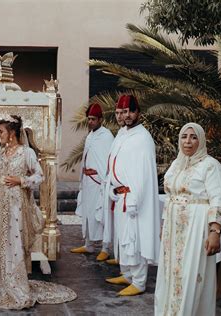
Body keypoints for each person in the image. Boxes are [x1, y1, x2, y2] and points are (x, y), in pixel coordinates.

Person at [0, 115, 77, 309]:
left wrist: (21, 181)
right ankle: (3, 283)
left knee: (14, 243)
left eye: (1, 132)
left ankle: (17, 285)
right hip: (1, 206)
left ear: (11, 134)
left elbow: (40, 176)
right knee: (2, 242)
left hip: (17, 206)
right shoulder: (1, 153)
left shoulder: (26, 153)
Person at [155, 123, 221, 316]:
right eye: (184, 136)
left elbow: (218, 199)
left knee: (190, 275)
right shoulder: (176, 164)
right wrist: (164, 224)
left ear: (201, 140)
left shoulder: (210, 165)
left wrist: (215, 231)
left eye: (193, 137)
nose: (188, 141)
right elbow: (169, 197)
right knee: (171, 274)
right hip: (173, 229)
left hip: (195, 228)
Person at [105, 95, 160, 296]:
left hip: (134, 197)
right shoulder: (122, 134)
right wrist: (111, 188)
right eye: (120, 112)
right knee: (123, 238)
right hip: (120, 195)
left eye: (128, 111)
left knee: (134, 239)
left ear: (137, 112)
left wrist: (134, 200)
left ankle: (139, 281)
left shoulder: (142, 138)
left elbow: (143, 173)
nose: (124, 116)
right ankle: (127, 274)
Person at [70, 103, 114, 262]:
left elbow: (106, 161)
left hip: (99, 181)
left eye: (93, 119)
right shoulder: (90, 135)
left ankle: (105, 248)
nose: (90, 122)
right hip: (88, 181)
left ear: (101, 119)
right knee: (88, 213)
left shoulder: (107, 136)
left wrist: (104, 180)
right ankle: (88, 244)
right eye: (88, 119)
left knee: (100, 214)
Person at [102, 101, 127, 266]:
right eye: (117, 113)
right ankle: (119, 258)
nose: (119, 116)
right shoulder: (120, 133)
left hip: (126, 192)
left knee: (126, 232)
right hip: (114, 188)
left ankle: (126, 264)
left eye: (122, 112)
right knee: (118, 227)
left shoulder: (135, 136)